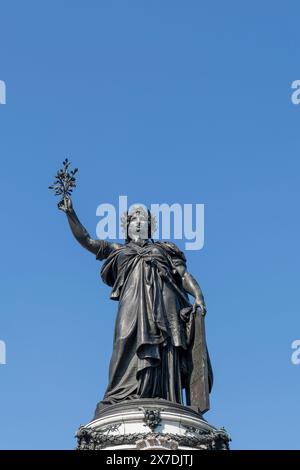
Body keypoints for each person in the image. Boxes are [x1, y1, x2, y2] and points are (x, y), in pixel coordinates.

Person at [58, 197, 212, 410]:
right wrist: (71, 213)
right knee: (124, 341)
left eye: (143, 219)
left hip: (165, 308)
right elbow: (87, 241)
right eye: (133, 219)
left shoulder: (165, 249)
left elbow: (183, 275)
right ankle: (121, 395)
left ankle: (162, 394)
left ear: (150, 227)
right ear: (127, 226)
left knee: (164, 347)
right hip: (131, 306)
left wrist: (199, 296)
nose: (138, 222)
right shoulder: (117, 250)